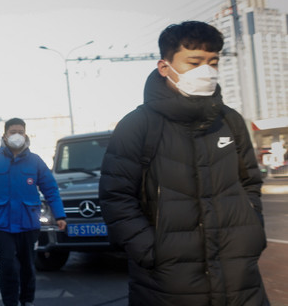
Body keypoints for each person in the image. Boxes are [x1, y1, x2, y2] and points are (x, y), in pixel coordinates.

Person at [99, 21, 269, 305]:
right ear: (165, 67)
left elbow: (250, 182)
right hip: (168, 282)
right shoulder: (137, 126)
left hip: (239, 277)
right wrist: (152, 251)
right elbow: (116, 197)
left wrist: (252, 232)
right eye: (195, 62)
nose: (207, 71)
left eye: (213, 62)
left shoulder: (230, 121)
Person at [0, 118, 66, 306]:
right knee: (7, 265)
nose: (17, 135)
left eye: (20, 131)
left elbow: (50, 189)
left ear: (26, 134)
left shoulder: (35, 161)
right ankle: (10, 302)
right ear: (4, 135)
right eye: (13, 132)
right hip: (2, 225)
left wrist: (59, 215)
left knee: (28, 266)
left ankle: (27, 300)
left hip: (29, 224)